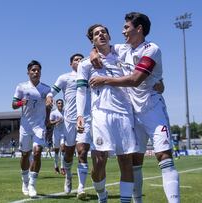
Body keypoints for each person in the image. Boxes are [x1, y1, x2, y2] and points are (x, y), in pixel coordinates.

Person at [89, 12, 180, 203]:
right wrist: (93, 52)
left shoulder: (151, 49)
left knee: (164, 156)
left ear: (139, 29)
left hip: (153, 109)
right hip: (132, 113)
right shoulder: (123, 49)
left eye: (126, 28)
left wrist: (105, 80)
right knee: (135, 161)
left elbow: (135, 80)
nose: (123, 32)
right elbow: (101, 46)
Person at [77, 24, 138, 203]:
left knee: (126, 160)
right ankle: (102, 196)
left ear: (109, 35)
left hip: (125, 113)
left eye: (103, 32)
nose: (101, 34)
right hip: (100, 114)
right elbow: (81, 91)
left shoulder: (123, 52)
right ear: (92, 41)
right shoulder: (85, 64)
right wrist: (80, 115)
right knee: (98, 160)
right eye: (96, 34)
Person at [47, 53, 92, 200]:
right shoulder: (64, 77)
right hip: (69, 121)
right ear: (70, 63)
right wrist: (49, 97)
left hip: (86, 119)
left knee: (82, 151)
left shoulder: (90, 75)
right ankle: (68, 177)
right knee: (68, 153)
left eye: (81, 59)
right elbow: (52, 91)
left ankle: (81, 188)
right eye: (76, 60)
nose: (79, 61)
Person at [12, 60, 52, 197]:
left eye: (38, 70)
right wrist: (21, 102)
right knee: (25, 154)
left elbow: (49, 99)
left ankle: (32, 184)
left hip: (39, 126)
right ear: (28, 72)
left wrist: (48, 103)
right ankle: (24, 181)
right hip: (25, 125)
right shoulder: (21, 87)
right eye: (33, 70)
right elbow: (13, 104)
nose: (36, 72)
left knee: (37, 152)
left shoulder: (46, 88)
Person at [49, 99, 66, 173]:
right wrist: (57, 121)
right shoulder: (53, 113)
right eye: (59, 103)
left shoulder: (65, 112)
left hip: (63, 133)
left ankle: (62, 167)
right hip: (56, 133)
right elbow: (50, 122)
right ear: (56, 104)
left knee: (63, 148)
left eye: (61, 103)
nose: (60, 104)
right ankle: (56, 165)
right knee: (56, 151)